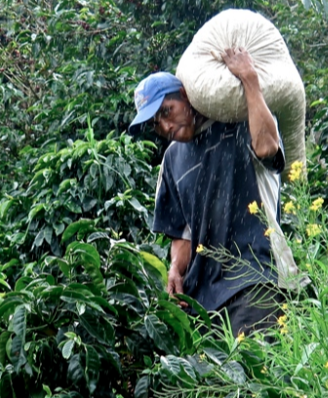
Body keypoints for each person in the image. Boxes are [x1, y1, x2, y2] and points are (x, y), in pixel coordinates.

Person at [129, 48, 304, 337]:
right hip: (203, 301)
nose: (165, 126)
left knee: (257, 377)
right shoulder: (172, 160)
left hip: (254, 277)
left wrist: (249, 79)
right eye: (155, 124)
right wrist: (175, 269)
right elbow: (182, 234)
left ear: (186, 96)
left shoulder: (234, 121)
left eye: (166, 112)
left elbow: (268, 148)